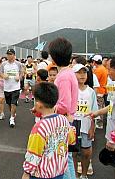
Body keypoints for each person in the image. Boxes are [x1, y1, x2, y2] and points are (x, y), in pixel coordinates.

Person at [22, 82, 76, 179]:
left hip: (41, 174)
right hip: (59, 172)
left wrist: (26, 172)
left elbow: (34, 153)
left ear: (38, 104)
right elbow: (71, 140)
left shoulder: (39, 127)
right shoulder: (63, 120)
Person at [87, 55, 115, 179]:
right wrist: (97, 113)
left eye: (110, 70)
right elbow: (114, 107)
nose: (108, 73)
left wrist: (114, 140)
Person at [48, 37, 79, 179]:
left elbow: (64, 105)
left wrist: (47, 109)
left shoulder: (63, 76)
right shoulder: (68, 73)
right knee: (67, 158)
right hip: (69, 120)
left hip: (63, 122)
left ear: (54, 58)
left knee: (61, 160)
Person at [72, 64, 98, 179]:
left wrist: (92, 127)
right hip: (72, 126)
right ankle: (74, 175)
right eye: (79, 73)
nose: (82, 75)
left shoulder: (91, 91)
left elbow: (94, 112)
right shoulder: (71, 90)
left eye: (84, 73)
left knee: (86, 153)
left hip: (86, 127)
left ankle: (83, 174)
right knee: (73, 153)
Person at [0, 49, 24, 128]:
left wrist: (19, 77)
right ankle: (12, 113)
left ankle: (12, 119)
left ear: (14, 55)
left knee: (13, 103)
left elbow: (22, 72)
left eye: (10, 54)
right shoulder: (4, 64)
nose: (9, 56)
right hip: (7, 87)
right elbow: (0, 72)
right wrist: (3, 76)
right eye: (8, 54)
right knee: (9, 104)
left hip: (15, 87)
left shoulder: (18, 64)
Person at [93, 55, 108, 129]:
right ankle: (100, 123)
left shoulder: (98, 70)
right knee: (101, 106)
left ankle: (99, 123)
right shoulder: (104, 69)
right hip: (103, 90)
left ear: (94, 62)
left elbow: (95, 81)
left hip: (99, 91)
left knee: (99, 108)